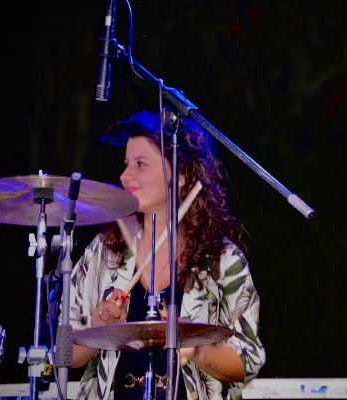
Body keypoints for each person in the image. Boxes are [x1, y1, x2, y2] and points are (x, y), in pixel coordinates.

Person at [62, 110, 266, 400]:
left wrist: (195, 350)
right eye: (126, 164)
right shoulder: (104, 253)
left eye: (140, 164)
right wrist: (97, 331)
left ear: (180, 176)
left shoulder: (222, 260)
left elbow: (247, 363)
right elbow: (63, 356)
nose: (124, 176)